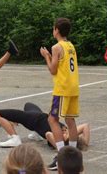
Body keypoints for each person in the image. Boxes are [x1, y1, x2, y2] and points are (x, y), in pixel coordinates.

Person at [40, 18, 80, 171]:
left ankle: (61, 157)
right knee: (70, 120)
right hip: (73, 86)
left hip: (62, 88)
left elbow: (53, 70)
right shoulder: (70, 45)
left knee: (52, 119)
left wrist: (46, 56)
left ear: (56, 30)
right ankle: (74, 155)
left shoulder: (56, 47)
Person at [0, 103, 90, 149]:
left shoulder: (58, 140)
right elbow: (85, 126)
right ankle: (35, 134)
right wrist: (85, 142)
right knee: (28, 105)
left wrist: (61, 146)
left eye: (66, 136)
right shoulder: (70, 134)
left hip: (32, 120)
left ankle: (15, 138)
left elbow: (49, 134)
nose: (66, 133)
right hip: (40, 115)